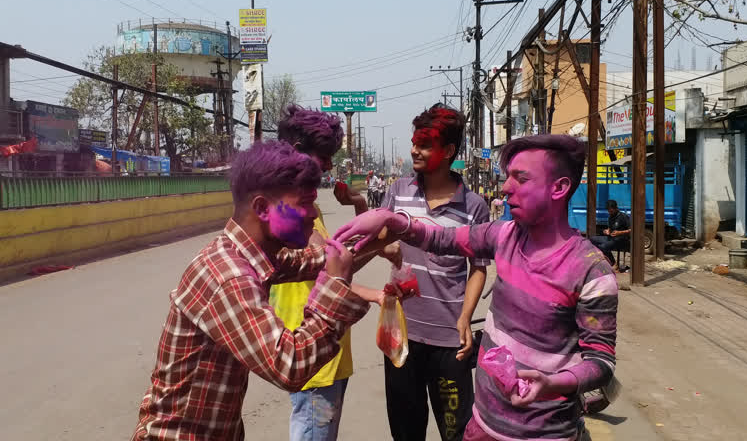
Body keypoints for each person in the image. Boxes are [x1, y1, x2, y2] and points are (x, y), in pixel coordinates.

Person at [335, 134, 618, 441]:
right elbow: (441, 239)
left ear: (559, 188)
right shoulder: (504, 234)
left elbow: (600, 362)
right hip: (482, 426)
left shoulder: (591, 271)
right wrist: (393, 221)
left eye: (520, 178)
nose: (506, 187)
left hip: (546, 434)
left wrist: (555, 383)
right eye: (508, 176)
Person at [132, 141, 369, 441]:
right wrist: (335, 288)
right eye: (304, 203)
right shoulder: (227, 273)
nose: (312, 214)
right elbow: (289, 365)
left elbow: (318, 261)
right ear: (262, 208)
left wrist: (384, 229)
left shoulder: (253, 253)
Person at [272, 106, 399, 441]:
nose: (329, 166)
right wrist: (373, 290)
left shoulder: (305, 204)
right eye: (324, 156)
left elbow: (335, 265)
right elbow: (329, 275)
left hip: (328, 346)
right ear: (297, 153)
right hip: (310, 350)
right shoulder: (288, 210)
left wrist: (359, 205)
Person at [378, 104, 490, 441]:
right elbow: (377, 240)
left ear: (449, 152)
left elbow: (479, 269)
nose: (415, 150)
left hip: (449, 342)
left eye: (425, 144)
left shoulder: (474, 207)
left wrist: (465, 318)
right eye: (415, 142)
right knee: (406, 431)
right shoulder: (398, 191)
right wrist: (387, 247)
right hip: (400, 336)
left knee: (455, 432)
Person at [589, 199, 631, 271]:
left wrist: (620, 232)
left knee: (604, 246)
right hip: (611, 238)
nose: (610, 212)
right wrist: (607, 231)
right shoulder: (610, 217)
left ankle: (614, 264)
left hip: (621, 239)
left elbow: (631, 230)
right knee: (592, 239)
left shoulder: (623, 216)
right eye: (608, 211)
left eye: (611, 211)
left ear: (616, 208)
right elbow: (610, 228)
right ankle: (603, 260)